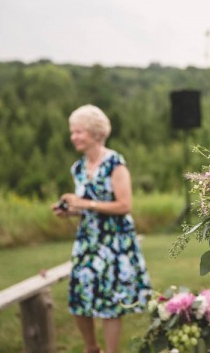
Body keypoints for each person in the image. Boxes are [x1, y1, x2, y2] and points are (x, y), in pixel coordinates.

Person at [53, 104, 151, 353]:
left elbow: (124, 205)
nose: (73, 137)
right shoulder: (78, 168)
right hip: (88, 239)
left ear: (95, 132)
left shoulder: (115, 164)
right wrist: (70, 210)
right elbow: (87, 207)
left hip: (115, 241)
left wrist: (84, 203)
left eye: (78, 132)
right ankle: (91, 348)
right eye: (72, 132)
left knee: (109, 302)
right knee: (78, 297)